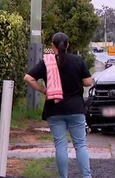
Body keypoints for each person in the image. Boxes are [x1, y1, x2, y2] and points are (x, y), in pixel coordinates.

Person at [24, 32, 93, 178]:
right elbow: (88, 82)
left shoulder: (46, 63)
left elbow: (28, 77)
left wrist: (44, 90)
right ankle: (86, 176)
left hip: (55, 109)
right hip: (76, 109)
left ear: (53, 46)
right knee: (80, 145)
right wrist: (75, 80)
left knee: (60, 146)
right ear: (67, 45)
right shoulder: (77, 60)